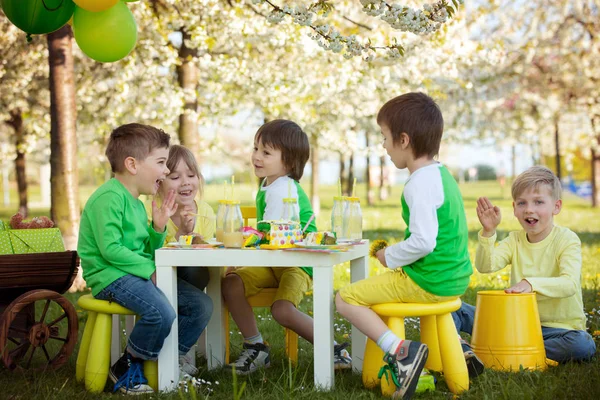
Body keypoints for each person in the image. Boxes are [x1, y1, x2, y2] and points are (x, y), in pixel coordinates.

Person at [335, 92, 473, 399]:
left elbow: (424, 241)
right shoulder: (441, 175)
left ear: (404, 140)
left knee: (345, 298)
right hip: (453, 278)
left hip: (429, 280)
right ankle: (434, 357)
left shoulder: (418, 184)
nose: (383, 147)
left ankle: (401, 352)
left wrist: (390, 256)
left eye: (385, 138)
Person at [78, 124, 205, 394]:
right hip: (110, 275)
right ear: (132, 164)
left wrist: (157, 229)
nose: (166, 171)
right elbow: (110, 249)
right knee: (161, 311)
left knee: (201, 305)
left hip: (132, 273)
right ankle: (128, 364)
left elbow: (143, 251)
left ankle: (167, 361)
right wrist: (149, 270)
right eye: (161, 162)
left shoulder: (135, 202)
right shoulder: (110, 198)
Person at [221, 119, 351, 374]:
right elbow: (267, 239)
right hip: (273, 262)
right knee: (231, 283)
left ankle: (335, 349)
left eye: (266, 152)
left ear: (289, 162)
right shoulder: (268, 184)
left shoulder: (285, 190)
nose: (256, 156)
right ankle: (255, 346)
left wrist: (244, 244)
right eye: (256, 148)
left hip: (298, 263)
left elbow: (268, 235)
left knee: (282, 310)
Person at [453, 166, 596, 364]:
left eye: (538, 202)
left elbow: (569, 284)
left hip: (558, 331)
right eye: (522, 203)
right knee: (454, 307)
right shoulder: (514, 240)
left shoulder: (567, 240)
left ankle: (499, 348)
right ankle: (461, 347)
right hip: (514, 324)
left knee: (583, 345)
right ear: (514, 209)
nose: (529, 209)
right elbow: (486, 266)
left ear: (556, 206)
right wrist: (488, 232)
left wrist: (530, 284)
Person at [150, 144, 215, 375]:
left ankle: (182, 351)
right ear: (160, 183)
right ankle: (175, 354)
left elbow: (208, 254)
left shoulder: (204, 212)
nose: (186, 182)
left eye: (191, 175)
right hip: (159, 278)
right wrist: (180, 236)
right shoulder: (155, 210)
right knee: (198, 300)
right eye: (175, 177)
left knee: (198, 271)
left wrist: (193, 237)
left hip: (192, 278)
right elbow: (156, 255)